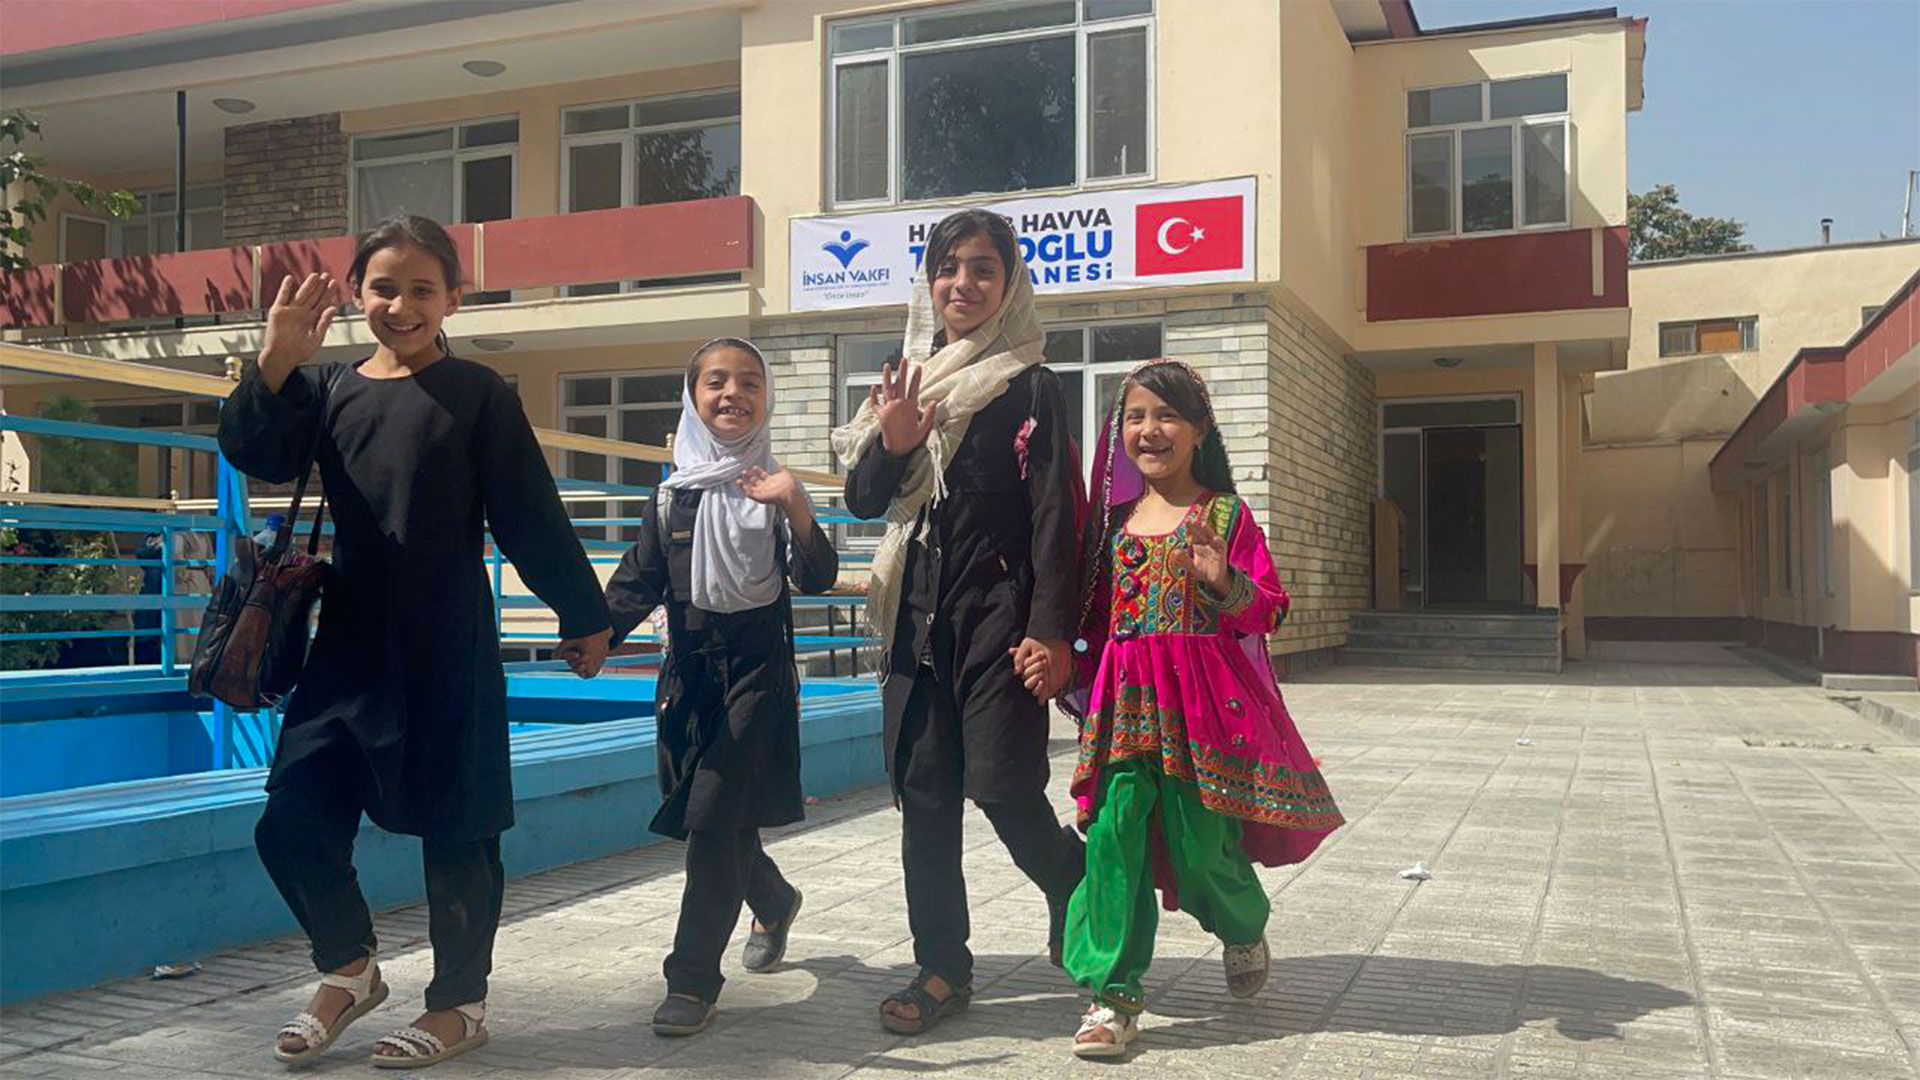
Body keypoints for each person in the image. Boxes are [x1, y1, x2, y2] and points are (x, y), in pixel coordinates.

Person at [219, 215, 611, 1069]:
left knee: (459, 830)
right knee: (290, 819)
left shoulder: (478, 392)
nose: (401, 305)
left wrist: (583, 614)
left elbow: (527, 514)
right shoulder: (326, 388)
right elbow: (256, 452)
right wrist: (274, 359)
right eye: (384, 288)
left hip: (446, 643)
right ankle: (350, 969)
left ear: (453, 300)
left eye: (422, 289)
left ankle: (459, 1005)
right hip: (350, 644)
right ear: (357, 293)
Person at [831, 209, 1086, 1035]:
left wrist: (1051, 631)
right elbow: (864, 501)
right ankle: (942, 967)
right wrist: (894, 442)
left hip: (999, 620)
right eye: (948, 268)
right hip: (917, 620)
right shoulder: (909, 382)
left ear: (1009, 284)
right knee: (926, 795)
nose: (963, 284)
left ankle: (1072, 883)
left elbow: (1055, 515)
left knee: (1004, 785)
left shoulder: (1030, 383)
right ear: (929, 281)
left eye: (983, 268)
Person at [1051, 359, 1344, 1058]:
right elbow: (1084, 616)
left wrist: (1225, 581)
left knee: (1200, 847)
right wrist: (1053, 653)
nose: (1149, 430)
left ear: (1200, 430)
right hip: (1123, 711)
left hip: (1203, 714)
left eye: (1167, 416)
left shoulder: (1225, 515)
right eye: (1135, 417)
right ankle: (1112, 996)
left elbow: (1269, 611)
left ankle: (1242, 926)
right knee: (1114, 838)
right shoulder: (1111, 526)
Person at [591, 337, 838, 1037]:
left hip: (756, 674)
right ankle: (774, 900)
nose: (733, 394)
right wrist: (592, 637)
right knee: (718, 819)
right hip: (690, 680)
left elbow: (816, 576)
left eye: (750, 382)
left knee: (711, 823)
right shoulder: (672, 496)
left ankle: (691, 981)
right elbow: (639, 580)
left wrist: (795, 505)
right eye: (717, 382)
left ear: (767, 397)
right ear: (692, 397)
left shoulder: (775, 488)